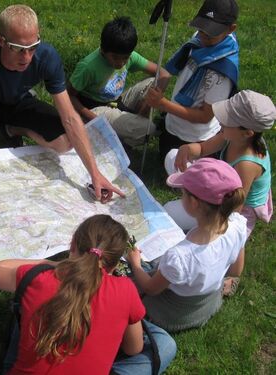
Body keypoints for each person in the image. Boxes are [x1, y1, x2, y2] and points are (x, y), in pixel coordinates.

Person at [0, 4, 125, 218]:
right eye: (18, 48)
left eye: (33, 47)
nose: (27, 57)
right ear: (1, 40)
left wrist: (95, 174)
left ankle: (12, 129)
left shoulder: (47, 57)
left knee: (64, 141)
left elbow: (70, 117)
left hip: (19, 103)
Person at [0, 214, 176, 374]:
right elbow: (134, 349)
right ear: (115, 264)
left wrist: (49, 264)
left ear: (72, 245)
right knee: (163, 342)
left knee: (24, 306)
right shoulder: (125, 289)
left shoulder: (37, 278)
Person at [127, 158, 247, 332]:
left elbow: (150, 289)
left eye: (183, 192)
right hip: (208, 304)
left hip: (172, 315)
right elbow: (236, 271)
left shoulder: (180, 257)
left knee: (131, 274)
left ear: (194, 203)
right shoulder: (237, 226)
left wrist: (136, 264)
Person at [164, 90, 275, 236]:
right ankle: (190, 196)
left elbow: (233, 208)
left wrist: (199, 197)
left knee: (168, 212)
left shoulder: (246, 165)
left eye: (227, 119)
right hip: (220, 188)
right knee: (173, 155)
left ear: (247, 133)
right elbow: (203, 148)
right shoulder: (232, 135)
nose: (220, 120)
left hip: (225, 211)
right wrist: (189, 148)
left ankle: (191, 203)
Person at [145, 0, 239, 160]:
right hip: (174, 126)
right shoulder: (200, 39)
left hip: (196, 139)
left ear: (231, 29)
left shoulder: (222, 73)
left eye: (211, 34)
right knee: (165, 159)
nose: (203, 36)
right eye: (201, 29)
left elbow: (205, 116)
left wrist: (163, 104)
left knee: (180, 174)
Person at [68, 16, 170, 146]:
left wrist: (148, 104)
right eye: (115, 58)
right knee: (149, 129)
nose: (121, 63)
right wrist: (90, 117)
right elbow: (69, 95)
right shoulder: (89, 67)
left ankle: (130, 128)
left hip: (116, 102)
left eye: (125, 58)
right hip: (94, 109)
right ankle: (127, 135)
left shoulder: (129, 56)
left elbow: (163, 74)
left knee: (153, 81)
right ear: (103, 50)